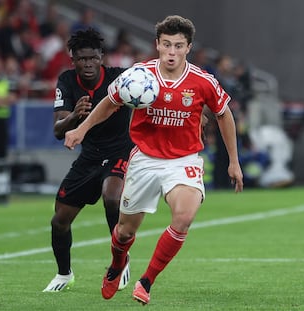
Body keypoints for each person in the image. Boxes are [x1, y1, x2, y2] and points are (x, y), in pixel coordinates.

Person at [64, 15, 244, 305]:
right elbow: (110, 102)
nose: (172, 52)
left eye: (178, 46)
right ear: (157, 45)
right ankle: (116, 264)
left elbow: (224, 115)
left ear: (188, 48)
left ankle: (146, 281)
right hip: (145, 160)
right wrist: (81, 129)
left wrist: (233, 161)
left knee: (184, 217)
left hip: (183, 160)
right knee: (124, 233)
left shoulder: (203, 81)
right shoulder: (139, 76)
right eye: (167, 45)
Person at [42, 28, 133, 292]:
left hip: (120, 151)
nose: (88, 64)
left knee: (112, 196)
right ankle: (64, 274)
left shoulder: (119, 78)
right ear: (73, 60)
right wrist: (73, 117)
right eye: (82, 59)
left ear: (101, 57)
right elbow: (59, 131)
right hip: (90, 157)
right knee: (59, 220)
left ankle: (121, 261)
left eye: (93, 58)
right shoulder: (68, 81)